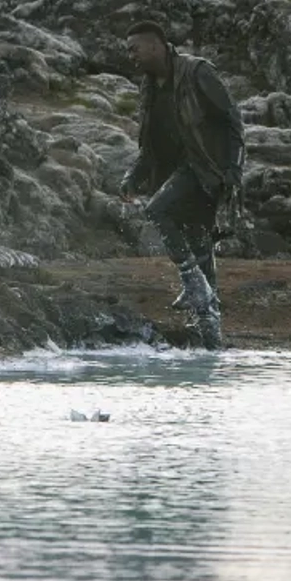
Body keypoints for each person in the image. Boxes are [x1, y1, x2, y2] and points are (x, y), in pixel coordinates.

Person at [120, 20, 245, 350]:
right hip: (173, 172)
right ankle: (211, 342)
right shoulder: (147, 86)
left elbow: (233, 121)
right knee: (201, 247)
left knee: (157, 210)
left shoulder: (197, 72)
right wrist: (134, 175)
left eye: (134, 49)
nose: (130, 56)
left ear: (156, 46)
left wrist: (233, 171)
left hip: (206, 169)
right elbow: (149, 143)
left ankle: (191, 280)